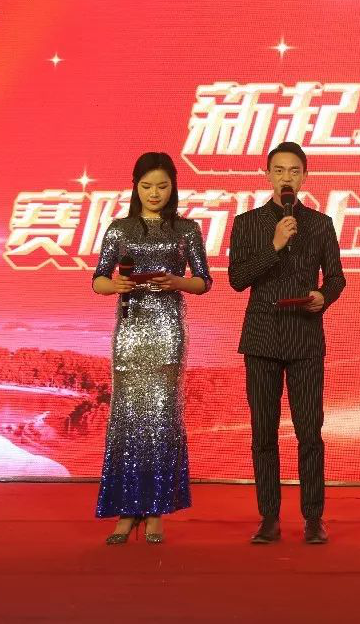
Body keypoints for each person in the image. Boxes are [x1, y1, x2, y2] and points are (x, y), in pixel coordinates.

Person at [92, 152, 212, 545]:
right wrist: (116, 285)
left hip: (167, 330)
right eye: (146, 186)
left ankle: (157, 508)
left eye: (162, 185)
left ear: (173, 186)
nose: (154, 193)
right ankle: (127, 511)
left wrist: (176, 282)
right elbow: (98, 279)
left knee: (161, 416)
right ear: (135, 187)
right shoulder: (119, 229)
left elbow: (204, 281)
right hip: (130, 329)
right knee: (127, 418)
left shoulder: (187, 229)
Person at [230, 141, 346, 545]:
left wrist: (322, 297)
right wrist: (274, 245)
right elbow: (237, 279)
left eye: (294, 171)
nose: (286, 178)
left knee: (309, 432)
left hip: (305, 338)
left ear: (305, 177)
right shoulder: (247, 223)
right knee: (263, 433)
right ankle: (269, 517)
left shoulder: (321, 224)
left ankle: (313, 518)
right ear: (267, 175)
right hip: (261, 338)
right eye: (279, 170)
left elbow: (336, 278)